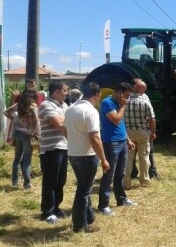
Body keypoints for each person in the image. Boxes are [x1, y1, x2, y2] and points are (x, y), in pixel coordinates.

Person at [64, 82, 110, 233]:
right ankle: (80, 226)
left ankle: (89, 217)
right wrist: (103, 158)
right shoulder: (91, 111)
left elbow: (66, 131)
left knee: (85, 188)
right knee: (83, 191)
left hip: (73, 153)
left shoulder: (70, 109)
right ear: (97, 95)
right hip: (87, 155)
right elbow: (95, 137)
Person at [98, 82, 136, 216]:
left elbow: (121, 125)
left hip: (122, 142)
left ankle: (121, 199)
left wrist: (128, 139)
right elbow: (115, 120)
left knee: (120, 174)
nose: (127, 99)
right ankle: (103, 205)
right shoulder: (107, 103)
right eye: (126, 96)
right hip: (111, 143)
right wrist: (123, 105)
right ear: (119, 93)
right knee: (109, 175)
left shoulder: (119, 104)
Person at [38, 81, 69, 224]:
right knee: (50, 181)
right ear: (56, 91)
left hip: (63, 147)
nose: (67, 92)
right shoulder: (46, 105)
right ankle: (47, 211)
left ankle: (56, 207)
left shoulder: (64, 105)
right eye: (65, 90)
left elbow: (66, 123)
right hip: (51, 148)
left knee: (61, 180)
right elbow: (59, 124)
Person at [4, 89, 40, 189]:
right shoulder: (33, 107)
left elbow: (6, 112)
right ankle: (27, 184)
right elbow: (36, 122)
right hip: (28, 135)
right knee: (27, 160)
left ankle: (14, 182)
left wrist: (14, 119)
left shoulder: (19, 104)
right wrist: (39, 135)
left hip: (17, 133)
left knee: (17, 159)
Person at [123, 80, 156, 189]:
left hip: (128, 133)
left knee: (128, 159)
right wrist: (153, 132)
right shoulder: (145, 101)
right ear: (141, 90)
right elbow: (152, 119)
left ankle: (126, 183)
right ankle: (144, 181)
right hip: (142, 132)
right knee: (144, 157)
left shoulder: (124, 100)